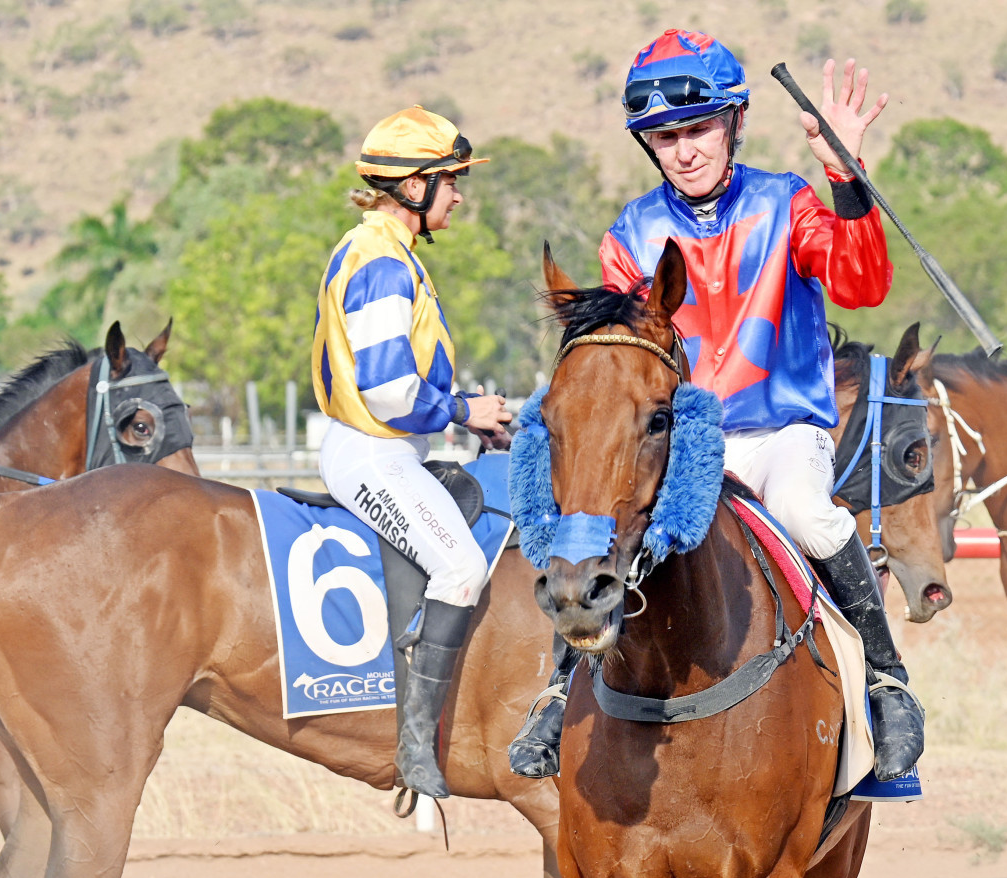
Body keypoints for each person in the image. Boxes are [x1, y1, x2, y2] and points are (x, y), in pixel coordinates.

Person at [508, 31, 926, 783]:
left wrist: (844, 176)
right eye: (665, 137)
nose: (684, 150)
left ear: (734, 123)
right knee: (600, 521)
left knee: (806, 512)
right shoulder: (630, 238)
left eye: (698, 128)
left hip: (781, 432)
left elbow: (862, 285)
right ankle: (555, 689)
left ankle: (891, 683)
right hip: (680, 440)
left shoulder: (787, 202)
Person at [311, 107, 512, 800]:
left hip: (383, 445)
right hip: (373, 451)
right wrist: (465, 410)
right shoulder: (380, 261)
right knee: (459, 567)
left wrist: (472, 421)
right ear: (415, 187)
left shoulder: (385, 252)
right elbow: (392, 391)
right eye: (451, 181)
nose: (458, 195)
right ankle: (415, 743)